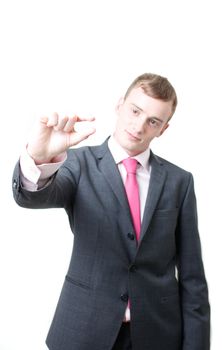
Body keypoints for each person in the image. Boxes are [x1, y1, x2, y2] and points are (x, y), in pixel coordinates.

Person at [12, 73, 210, 350]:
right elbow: (33, 196)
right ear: (120, 105)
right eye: (135, 110)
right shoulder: (77, 163)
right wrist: (39, 157)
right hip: (83, 330)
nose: (139, 126)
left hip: (158, 335)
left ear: (163, 129)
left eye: (153, 121)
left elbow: (193, 277)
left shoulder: (180, 181)